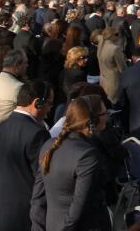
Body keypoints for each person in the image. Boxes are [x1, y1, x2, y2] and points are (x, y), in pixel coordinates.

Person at [30, 94, 112, 231]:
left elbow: (37, 198)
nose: (107, 117)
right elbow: (78, 207)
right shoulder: (87, 155)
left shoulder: (48, 145)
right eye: (104, 113)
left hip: (52, 225)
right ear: (91, 121)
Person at [0, 80, 53, 231]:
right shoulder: (37, 134)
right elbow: (44, 178)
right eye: (49, 104)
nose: (49, 110)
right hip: (26, 218)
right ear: (37, 103)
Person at [0, 48, 27, 122]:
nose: (27, 65)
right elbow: (28, 114)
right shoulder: (19, 87)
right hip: (11, 129)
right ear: (17, 65)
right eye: (25, 63)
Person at [97, 26, 126, 103]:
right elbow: (122, 68)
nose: (118, 36)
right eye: (116, 34)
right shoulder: (114, 49)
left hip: (104, 80)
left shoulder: (101, 46)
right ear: (111, 36)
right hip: (114, 82)